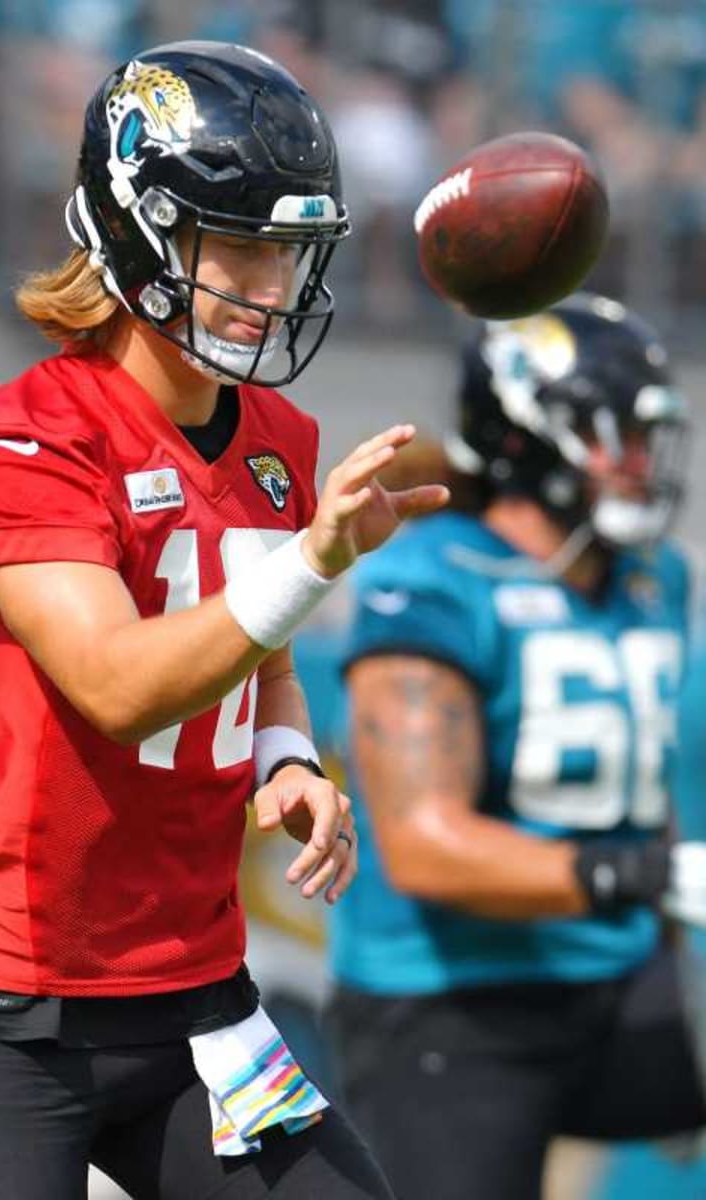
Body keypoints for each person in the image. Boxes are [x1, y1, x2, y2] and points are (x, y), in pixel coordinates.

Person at [0, 39, 448, 1199]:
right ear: (135, 228)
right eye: (237, 246)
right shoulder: (22, 441)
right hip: (11, 1007)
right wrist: (316, 557)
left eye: (287, 253)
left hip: (197, 999)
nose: (269, 286)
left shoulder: (279, 444)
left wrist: (283, 758)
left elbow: (260, 662)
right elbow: (118, 684)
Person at [330, 292, 706, 1200]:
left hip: (613, 972)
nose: (643, 462)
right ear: (536, 436)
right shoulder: (432, 582)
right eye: (620, 434)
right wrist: (645, 878)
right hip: (453, 1004)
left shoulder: (657, 576)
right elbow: (424, 846)